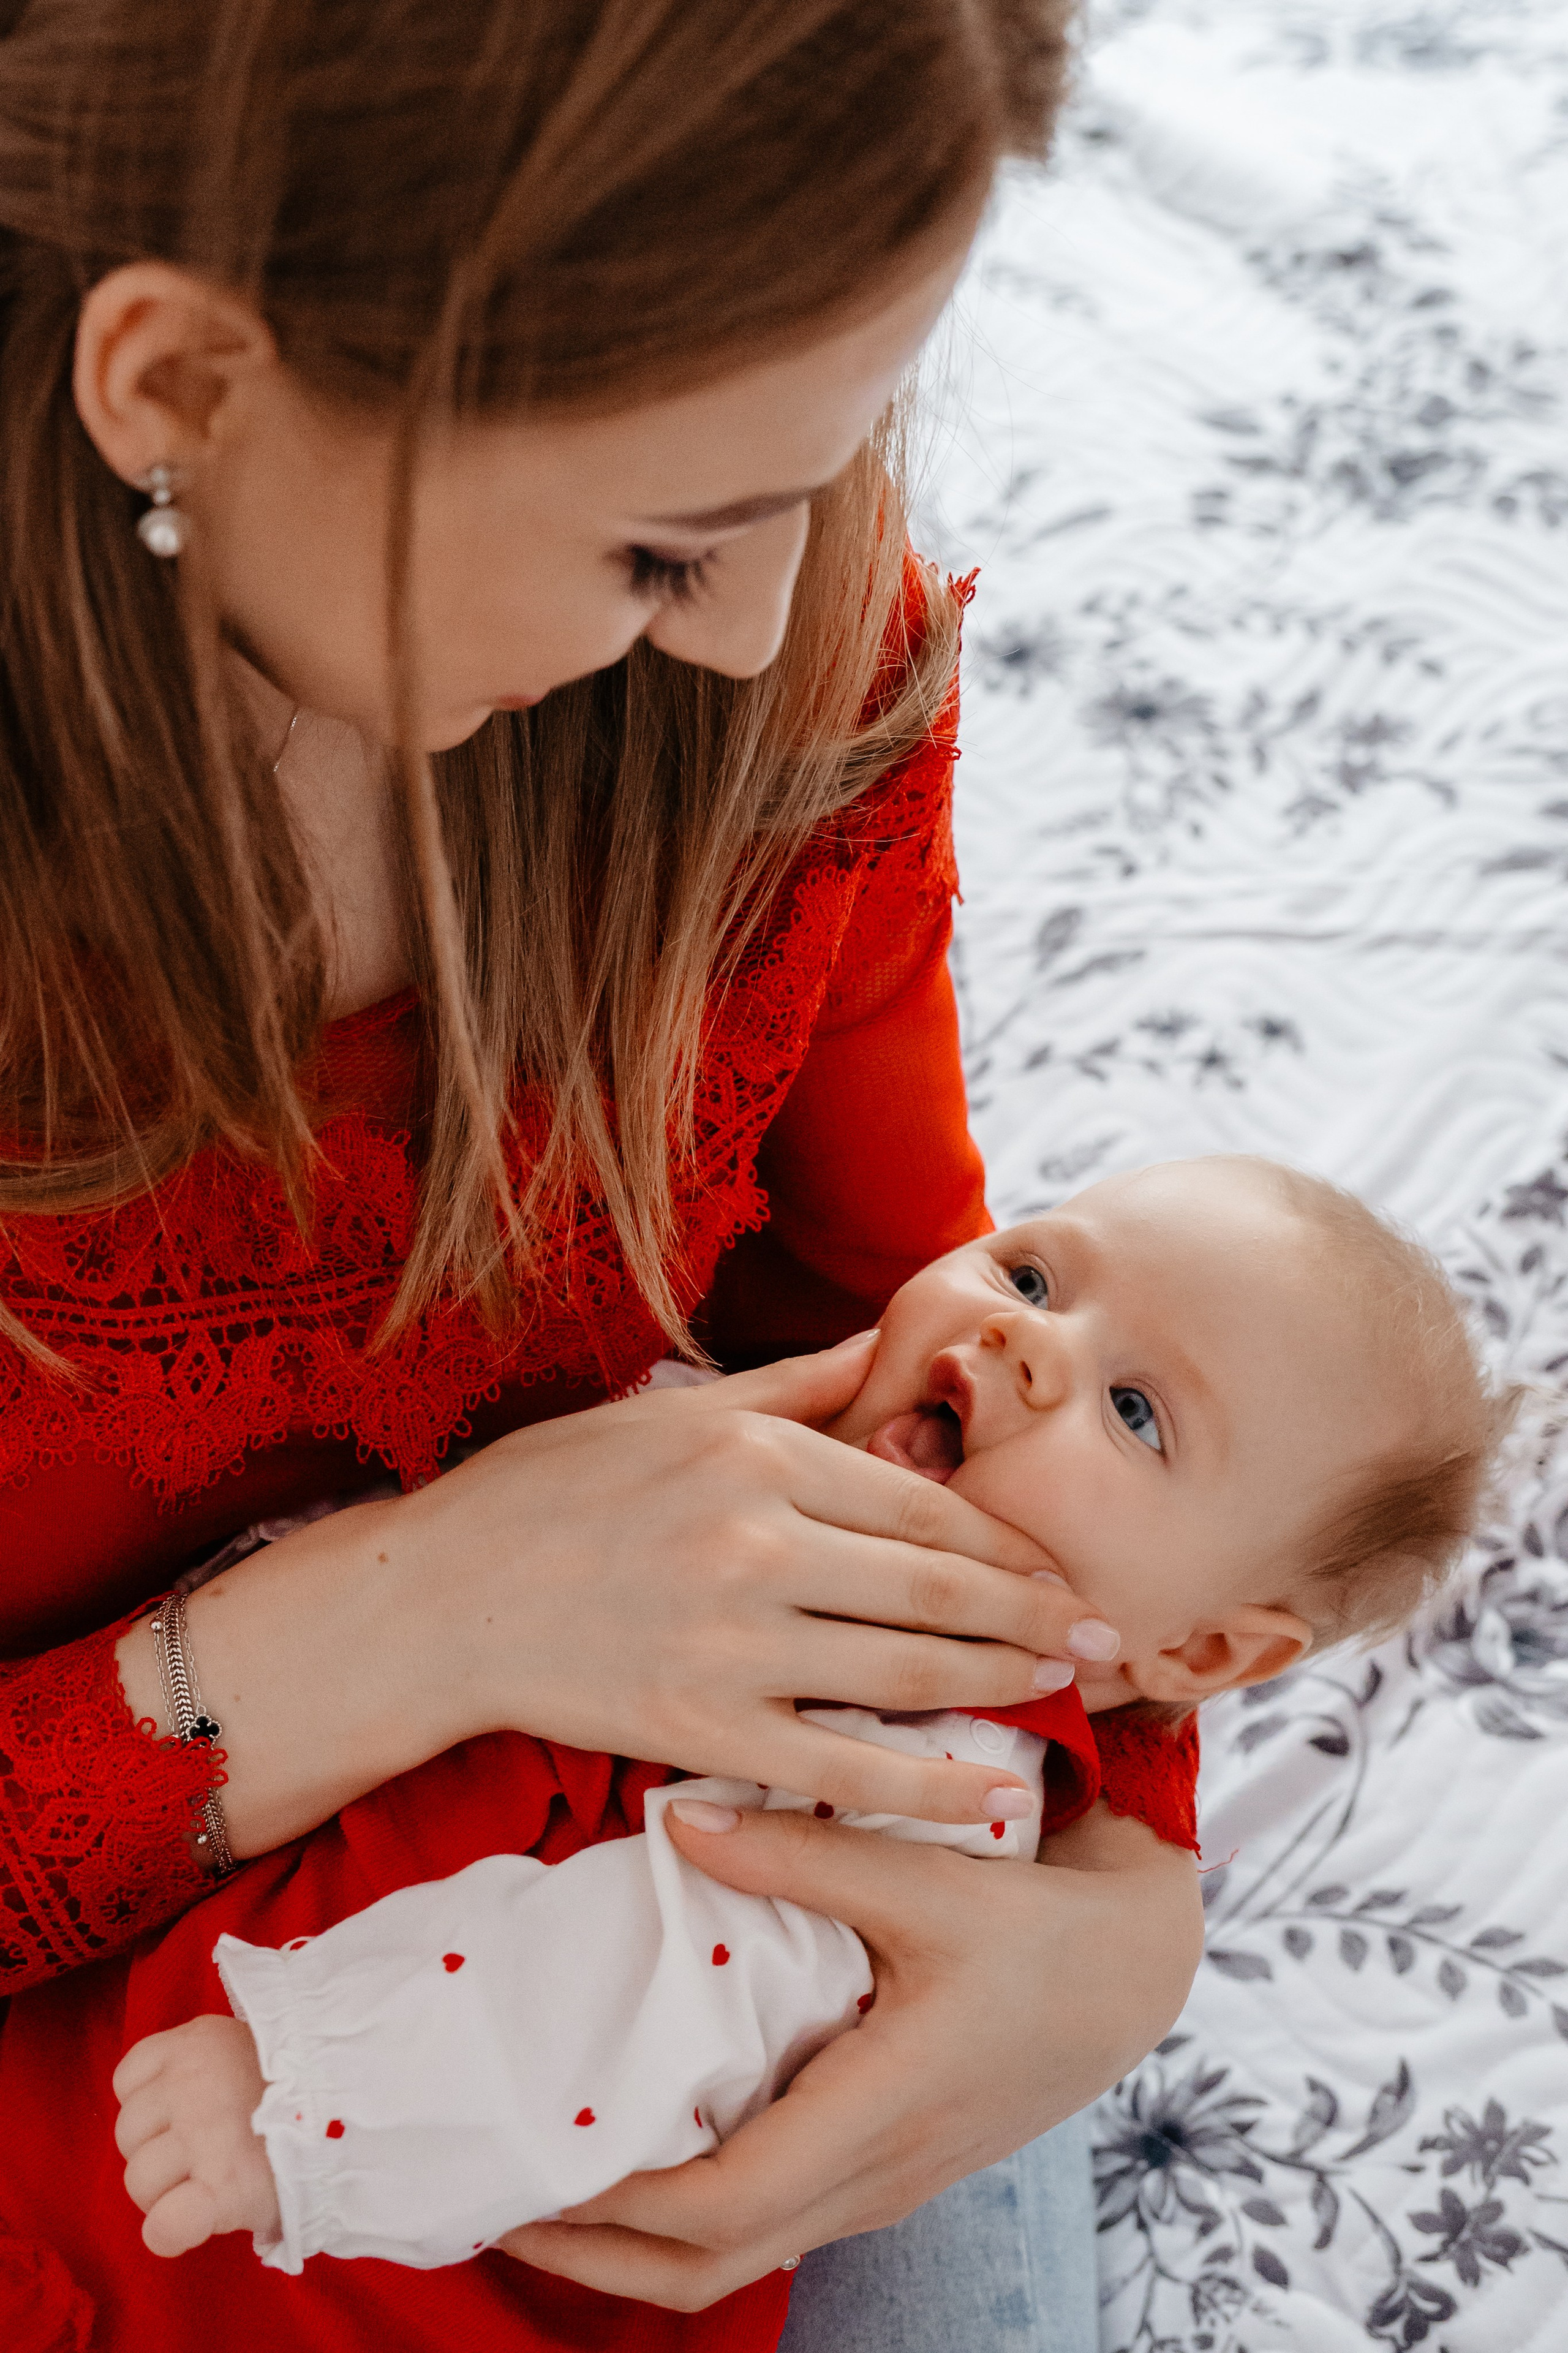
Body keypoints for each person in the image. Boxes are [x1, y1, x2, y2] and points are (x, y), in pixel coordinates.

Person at [0, 6, 1202, 2351]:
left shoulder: (791, 672)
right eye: (660, 544)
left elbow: (909, 1324)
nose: (763, 633)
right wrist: (409, 1619)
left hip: (635, 1928)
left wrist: (1124, 1913)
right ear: (179, 387)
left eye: (825, 474)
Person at [108, 1157, 1503, 2282]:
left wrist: (310, 2093)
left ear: (1195, 1649)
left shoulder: (939, 1774)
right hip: (196, 1911)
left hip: (353, 2161)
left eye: (1135, 1411)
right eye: (1031, 1274)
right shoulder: (740, 1420)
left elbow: (660, 1992)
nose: (1025, 1340)